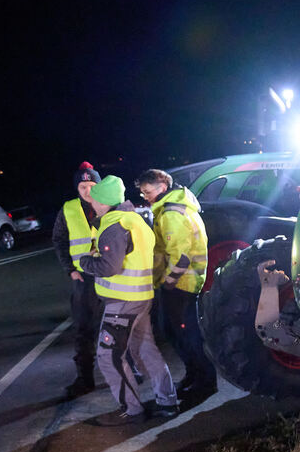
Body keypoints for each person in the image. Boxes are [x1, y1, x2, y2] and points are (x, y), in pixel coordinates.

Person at [77, 175, 179, 425]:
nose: (92, 202)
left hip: (122, 302)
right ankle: (167, 402)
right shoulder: (135, 220)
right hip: (141, 297)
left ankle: (132, 410)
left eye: (96, 198)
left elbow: (109, 266)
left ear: (105, 202)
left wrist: (84, 261)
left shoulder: (113, 225)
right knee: (145, 350)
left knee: (108, 356)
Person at [135, 168, 218, 399]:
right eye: (142, 193)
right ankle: (195, 375)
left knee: (185, 335)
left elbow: (180, 257)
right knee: (175, 333)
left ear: (162, 187)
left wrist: (168, 283)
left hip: (181, 284)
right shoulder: (170, 208)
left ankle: (205, 382)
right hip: (180, 283)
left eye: (147, 191)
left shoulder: (171, 213)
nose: (145, 196)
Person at [51, 162, 103, 399]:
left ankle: (129, 368)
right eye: (82, 186)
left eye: (91, 185)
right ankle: (85, 378)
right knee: (84, 329)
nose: (87, 190)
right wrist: (69, 269)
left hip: (109, 276)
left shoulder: (109, 206)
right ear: (77, 188)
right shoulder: (68, 209)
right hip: (83, 279)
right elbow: (59, 240)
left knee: (118, 324)